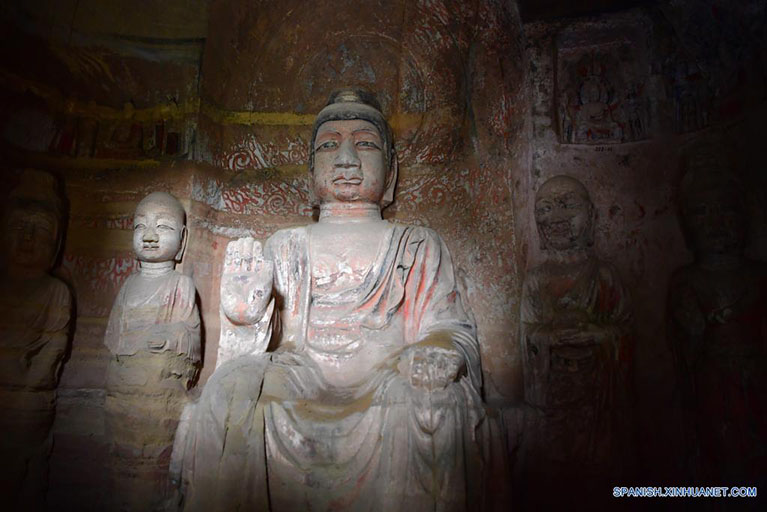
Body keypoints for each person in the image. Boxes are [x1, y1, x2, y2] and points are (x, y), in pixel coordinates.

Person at [175, 89, 486, 511]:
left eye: (364, 145)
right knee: (227, 391)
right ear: (311, 173)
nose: (345, 160)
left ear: (390, 171)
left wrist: (435, 350)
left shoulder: (416, 244)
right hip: (300, 370)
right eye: (328, 146)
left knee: (434, 403)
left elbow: (449, 326)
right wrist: (245, 316)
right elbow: (259, 345)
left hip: (388, 372)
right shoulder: (286, 244)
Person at [519, 175, 633, 505]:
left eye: (568, 205)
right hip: (554, 389)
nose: (556, 216)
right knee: (554, 465)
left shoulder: (604, 275)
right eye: (545, 209)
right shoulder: (536, 280)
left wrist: (598, 334)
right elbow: (527, 332)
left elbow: (624, 328)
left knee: (601, 462)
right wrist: (549, 337)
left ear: (591, 216)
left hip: (598, 390)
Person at [669, 149, 767, 486]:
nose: (715, 223)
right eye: (701, 212)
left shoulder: (758, 276)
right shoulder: (687, 281)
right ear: (686, 223)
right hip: (714, 383)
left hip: (757, 377)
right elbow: (684, 351)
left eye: (726, 209)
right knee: (723, 458)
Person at [104, 191, 201, 511]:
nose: (149, 236)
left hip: (159, 392)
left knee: (154, 463)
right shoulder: (129, 285)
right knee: (122, 463)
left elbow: (191, 339)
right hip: (124, 389)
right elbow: (113, 338)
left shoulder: (180, 285)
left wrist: (168, 336)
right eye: (140, 226)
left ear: (183, 241)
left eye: (163, 227)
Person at [0, 169, 72, 511]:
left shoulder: (55, 292)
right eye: (18, 227)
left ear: (55, 241)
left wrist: (26, 386)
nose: (27, 237)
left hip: (28, 398)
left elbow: (52, 349)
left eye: (39, 230)